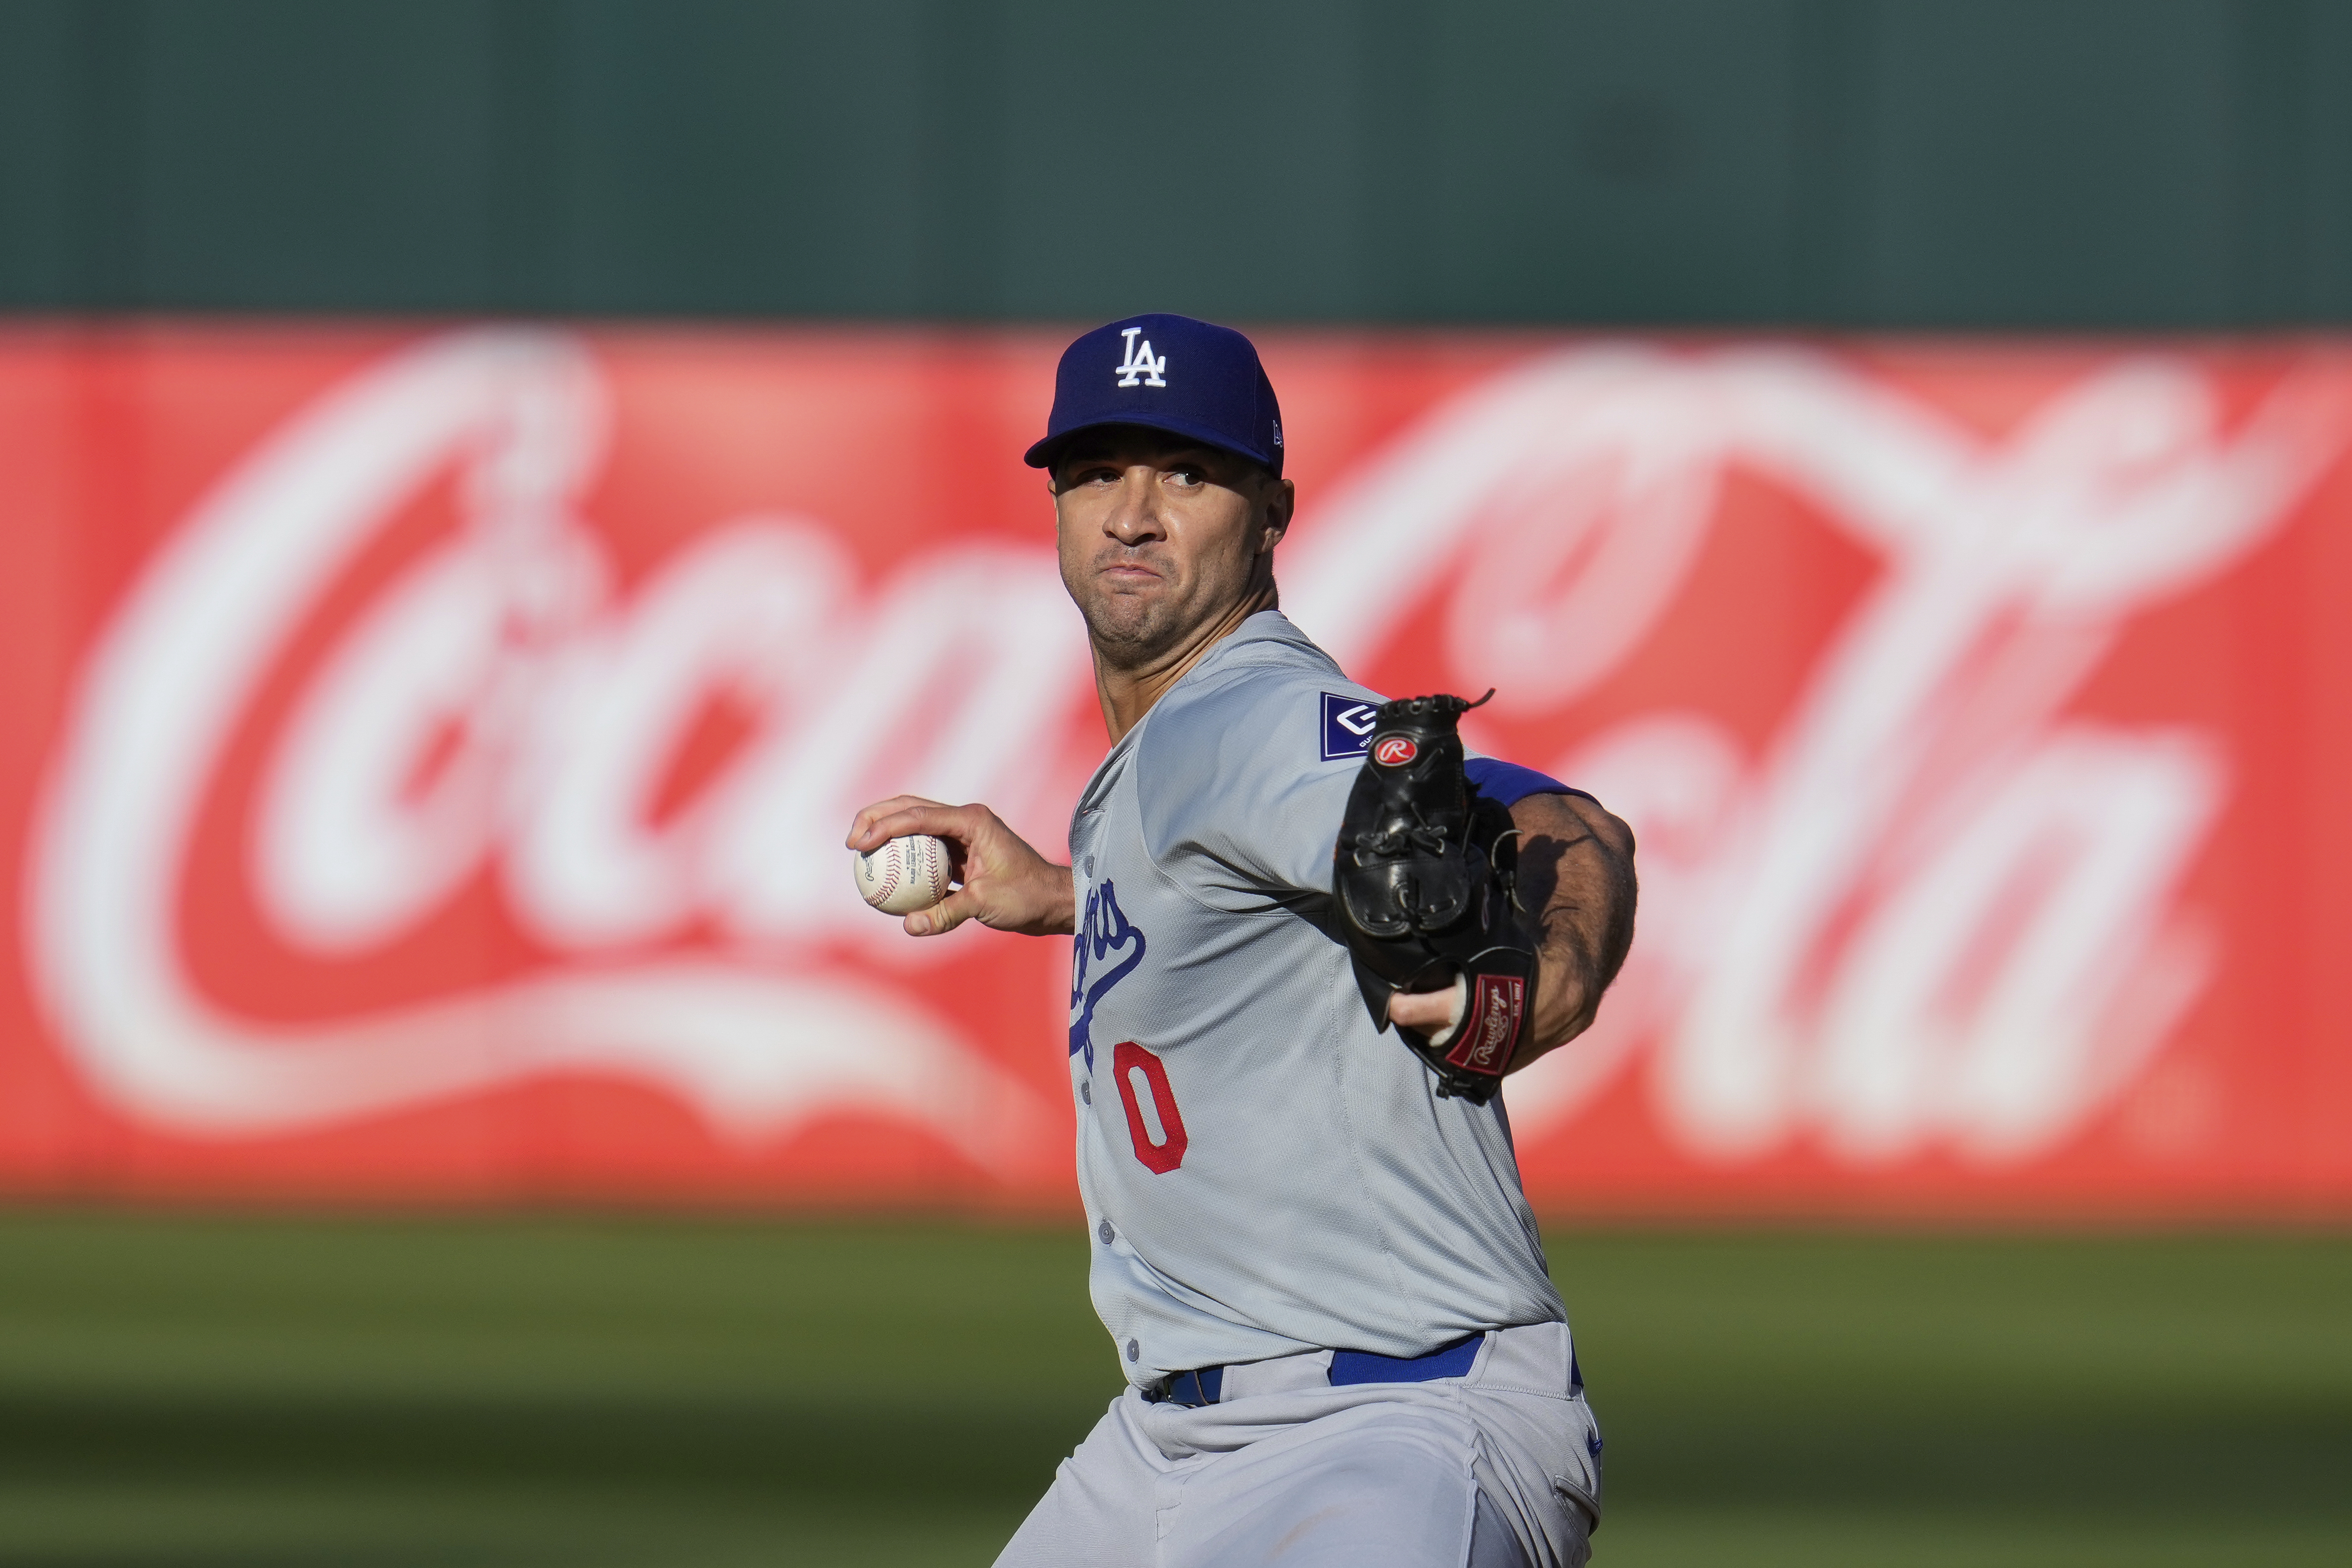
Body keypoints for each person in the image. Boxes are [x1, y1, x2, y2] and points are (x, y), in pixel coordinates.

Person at [846, 315, 1636, 1568]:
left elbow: (1552, 818)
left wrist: (1549, 973)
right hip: (1164, 1447)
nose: (1132, 513)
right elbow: (1285, 866)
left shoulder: (1246, 712)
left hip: (1385, 1426)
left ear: (1270, 510)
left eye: (1187, 474)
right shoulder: (1169, 758)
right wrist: (1067, 892)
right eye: (1097, 472)